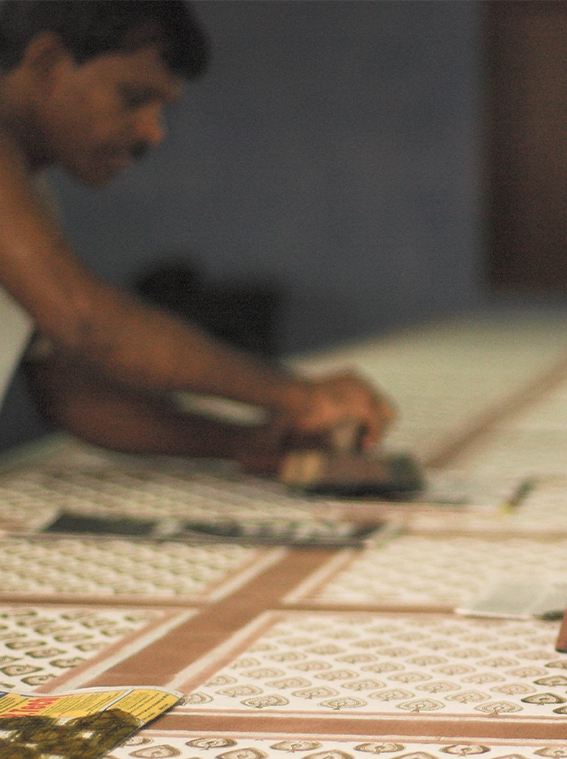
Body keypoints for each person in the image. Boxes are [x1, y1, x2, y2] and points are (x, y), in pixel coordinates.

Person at [0, 1, 394, 473]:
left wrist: (248, 442)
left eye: (161, 109)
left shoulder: (32, 195)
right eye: (132, 97)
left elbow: (76, 397)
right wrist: (295, 395)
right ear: (46, 63)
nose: (153, 132)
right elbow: (86, 322)